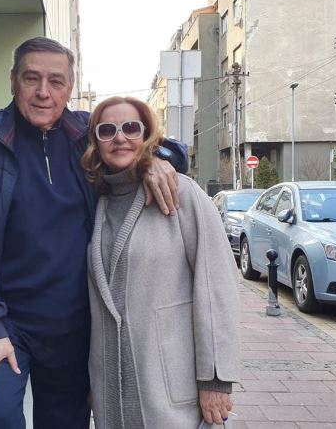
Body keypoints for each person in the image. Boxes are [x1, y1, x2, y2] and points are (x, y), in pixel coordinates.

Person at [0, 37, 187, 429]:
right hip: (4, 320)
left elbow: (154, 144)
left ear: (70, 87)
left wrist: (153, 161)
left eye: (56, 81)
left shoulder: (88, 133)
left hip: (75, 323)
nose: (43, 91)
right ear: (13, 81)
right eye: (31, 78)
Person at [81, 96, 241, 428]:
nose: (120, 138)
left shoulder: (182, 192)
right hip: (112, 393)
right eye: (107, 130)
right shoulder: (96, 202)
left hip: (171, 387)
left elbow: (217, 286)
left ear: (147, 135)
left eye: (131, 128)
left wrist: (216, 379)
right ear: (95, 142)